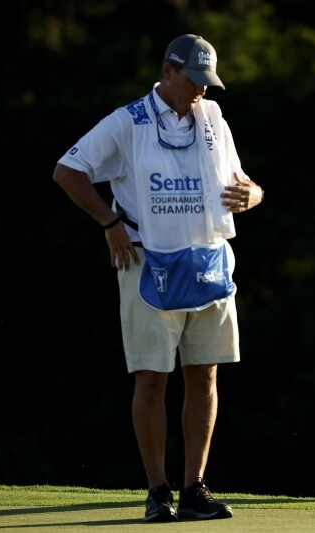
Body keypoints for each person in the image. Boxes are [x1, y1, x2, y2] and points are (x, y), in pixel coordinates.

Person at [52, 34, 263, 522]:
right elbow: (68, 170)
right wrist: (109, 223)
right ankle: (157, 492)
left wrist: (253, 195)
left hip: (209, 261)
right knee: (151, 378)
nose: (201, 90)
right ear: (168, 71)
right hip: (148, 262)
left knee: (204, 375)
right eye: (193, 79)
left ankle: (195, 489)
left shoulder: (213, 119)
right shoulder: (127, 121)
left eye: (207, 82)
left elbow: (243, 182)